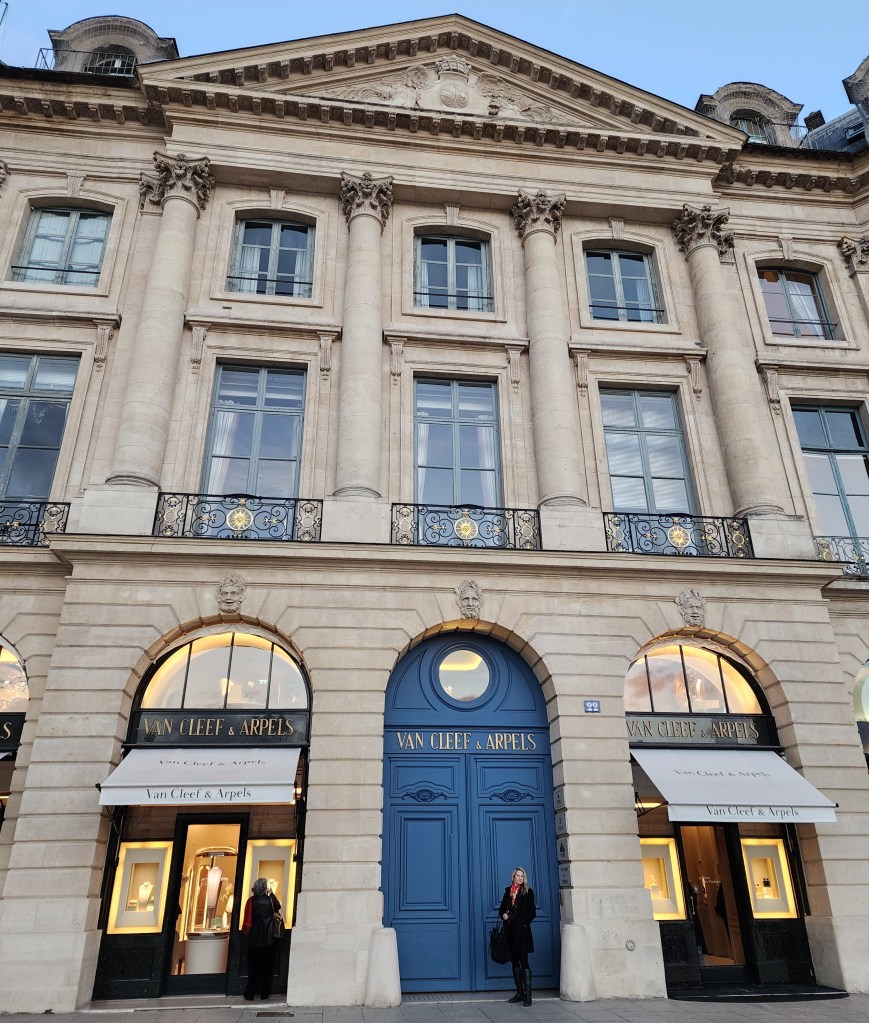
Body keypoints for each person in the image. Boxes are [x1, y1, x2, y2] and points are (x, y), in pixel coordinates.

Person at [499, 866, 536, 1006]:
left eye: (522, 876)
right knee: (514, 962)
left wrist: (523, 923)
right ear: (513, 877)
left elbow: (532, 912)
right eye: (518, 876)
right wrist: (503, 915)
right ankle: (519, 993)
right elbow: (502, 909)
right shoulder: (508, 892)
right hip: (510, 933)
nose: (520, 878)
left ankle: (528, 996)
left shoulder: (528, 892)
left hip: (522, 933)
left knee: (524, 961)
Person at [242, 877, 280, 1000]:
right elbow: (278, 907)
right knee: (267, 967)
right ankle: (264, 993)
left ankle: (250, 993)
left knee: (253, 967)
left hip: (254, 938)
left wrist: (245, 933)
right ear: (265, 888)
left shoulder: (251, 901)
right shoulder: (270, 900)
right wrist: (271, 894)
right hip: (269, 938)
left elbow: (247, 919)